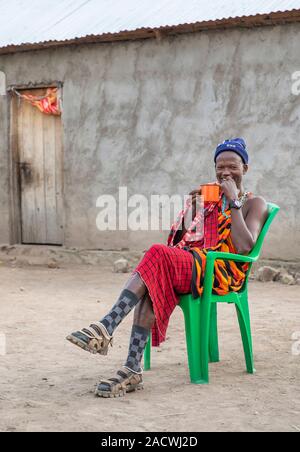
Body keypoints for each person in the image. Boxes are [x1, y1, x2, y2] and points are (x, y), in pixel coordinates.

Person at [66, 138, 268, 398]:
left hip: (222, 273)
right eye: (220, 167)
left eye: (233, 166)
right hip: (196, 265)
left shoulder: (254, 203)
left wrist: (234, 202)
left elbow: (243, 247)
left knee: (156, 255)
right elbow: (183, 241)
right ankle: (131, 368)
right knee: (153, 278)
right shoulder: (211, 200)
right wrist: (193, 213)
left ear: (245, 169)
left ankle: (107, 325)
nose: (225, 172)